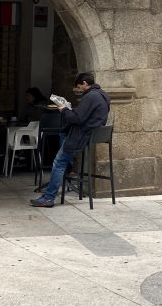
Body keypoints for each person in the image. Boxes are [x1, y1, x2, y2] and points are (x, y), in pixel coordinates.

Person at [30, 73, 110, 208]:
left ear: (85, 83)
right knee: (63, 137)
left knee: (58, 162)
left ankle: (49, 197)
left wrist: (64, 110)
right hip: (92, 134)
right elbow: (86, 115)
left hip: (82, 135)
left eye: (79, 87)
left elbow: (77, 119)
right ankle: (68, 166)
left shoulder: (90, 96)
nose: (79, 90)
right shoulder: (103, 94)